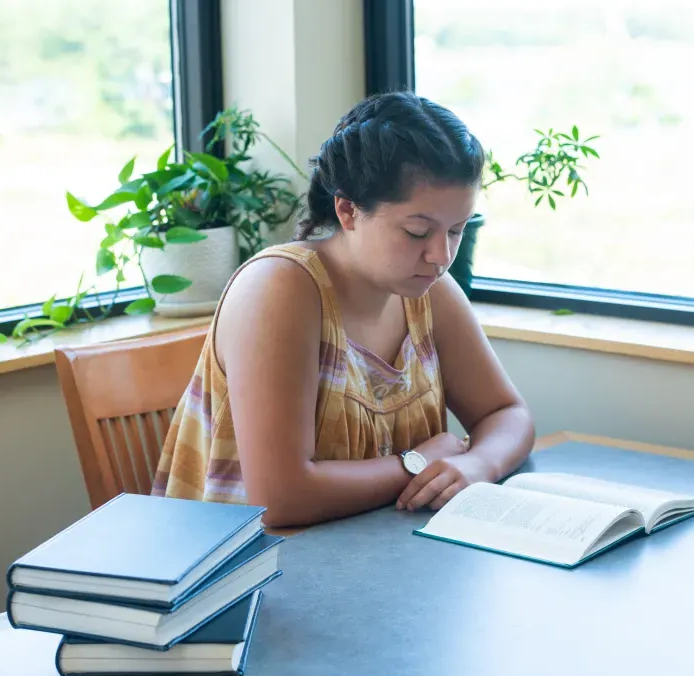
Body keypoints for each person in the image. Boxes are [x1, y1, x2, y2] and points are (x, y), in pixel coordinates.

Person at [151, 91, 535, 528]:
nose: (440, 255)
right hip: (244, 572)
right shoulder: (280, 288)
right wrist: (416, 464)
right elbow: (280, 498)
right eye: (416, 232)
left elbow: (508, 414)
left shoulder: (430, 291)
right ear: (348, 210)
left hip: (367, 557)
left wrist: (478, 464)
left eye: (456, 230)